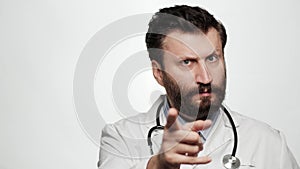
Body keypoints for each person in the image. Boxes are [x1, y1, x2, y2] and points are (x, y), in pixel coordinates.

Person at [98, 5, 299, 169]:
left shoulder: (268, 143)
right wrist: (158, 165)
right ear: (158, 73)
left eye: (212, 58)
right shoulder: (121, 139)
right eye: (187, 62)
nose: (206, 77)